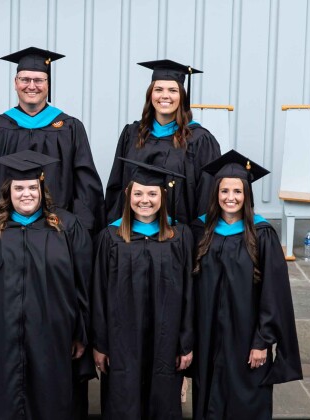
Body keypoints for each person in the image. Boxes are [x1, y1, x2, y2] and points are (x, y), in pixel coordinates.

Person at [0, 150, 93, 419]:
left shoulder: (67, 227)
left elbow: (83, 284)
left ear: (42, 188)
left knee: (49, 402)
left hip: (51, 337)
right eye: (19, 187)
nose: (26, 194)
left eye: (32, 187)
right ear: (7, 190)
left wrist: (80, 332)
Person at [190, 150, 302, 419]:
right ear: (215, 193)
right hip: (207, 336)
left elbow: (274, 295)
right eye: (225, 190)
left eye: (238, 191)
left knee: (246, 398)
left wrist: (262, 341)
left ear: (247, 195)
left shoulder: (262, 235)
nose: (231, 197)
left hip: (245, 336)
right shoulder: (199, 231)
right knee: (208, 395)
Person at [89, 158, 194, 419]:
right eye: (138, 193)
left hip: (167, 341)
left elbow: (190, 295)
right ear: (127, 195)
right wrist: (100, 344)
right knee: (123, 401)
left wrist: (186, 343)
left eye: (151, 193)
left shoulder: (179, 237)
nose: (144, 200)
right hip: (121, 341)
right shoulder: (110, 237)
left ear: (163, 196)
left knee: (162, 400)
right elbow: (98, 294)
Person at [0, 47, 104, 239]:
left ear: (48, 84)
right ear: (15, 83)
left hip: (57, 231)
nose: (31, 86)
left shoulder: (70, 128)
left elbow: (85, 186)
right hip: (4, 232)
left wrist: (80, 231)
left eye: (39, 80)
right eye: (25, 79)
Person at [104, 59, 221, 226]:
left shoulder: (199, 140)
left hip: (177, 235)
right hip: (131, 235)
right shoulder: (132, 134)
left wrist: (195, 238)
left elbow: (207, 195)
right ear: (150, 94)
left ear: (182, 97)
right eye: (158, 89)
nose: (165, 96)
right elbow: (116, 186)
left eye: (173, 90)